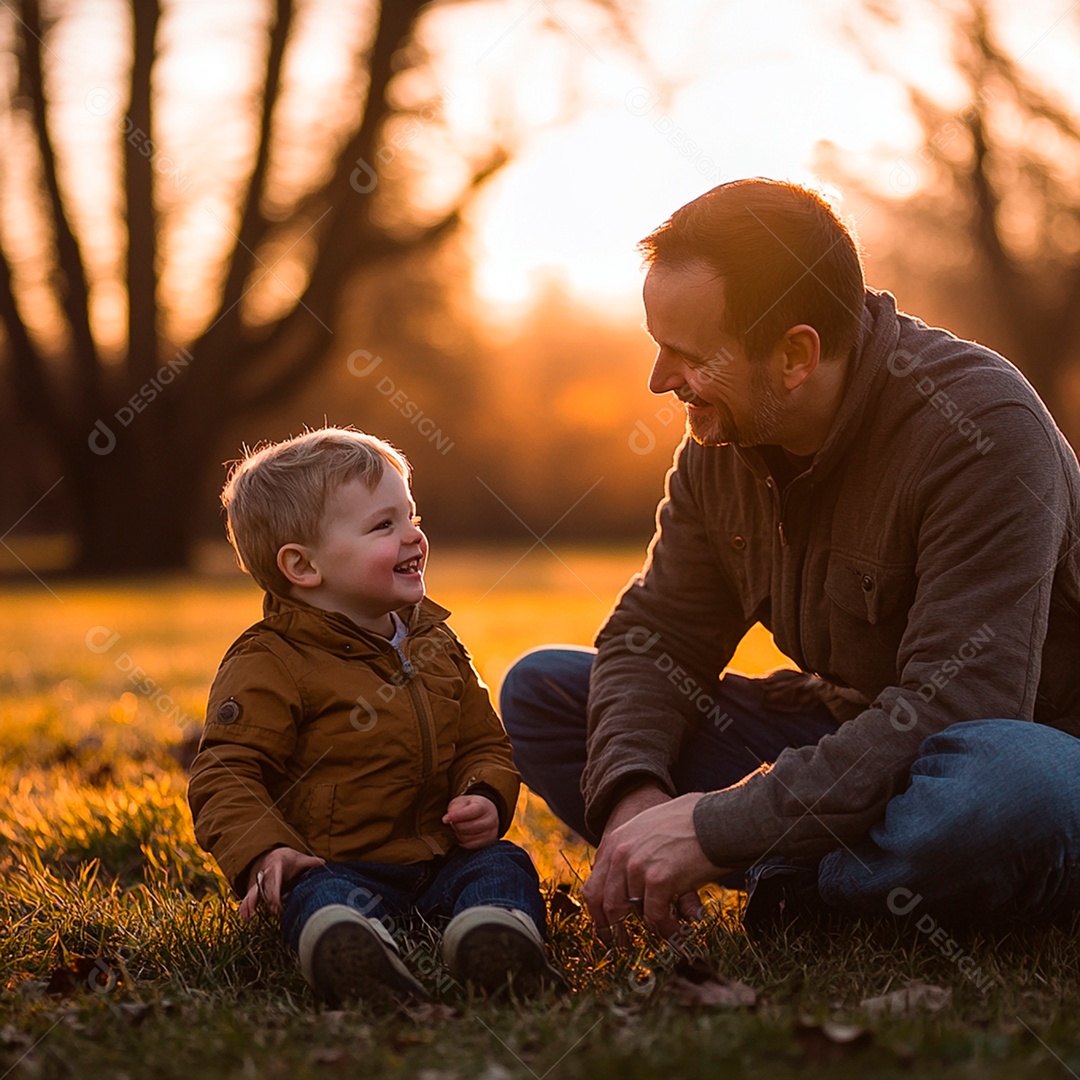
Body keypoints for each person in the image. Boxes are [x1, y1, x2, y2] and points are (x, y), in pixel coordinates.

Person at [500, 177, 1080, 942]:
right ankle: (856, 878)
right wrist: (635, 796)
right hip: (850, 741)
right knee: (545, 692)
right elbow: (658, 636)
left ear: (795, 354)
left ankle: (804, 888)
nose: (660, 381)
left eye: (689, 356)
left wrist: (712, 827)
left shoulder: (981, 431)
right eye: (657, 347)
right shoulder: (723, 438)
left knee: (1008, 791)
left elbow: (957, 709)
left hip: (1002, 751)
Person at [188, 427, 559, 1005]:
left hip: (441, 861)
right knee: (318, 892)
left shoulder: (435, 644)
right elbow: (225, 772)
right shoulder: (270, 661)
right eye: (384, 525)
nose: (414, 535)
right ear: (303, 567)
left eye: (411, 516)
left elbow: (484, 744)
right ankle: (344, 945)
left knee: (502, 863)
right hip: (337, 864)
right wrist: (265, 853)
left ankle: (493, 936)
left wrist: (484, 793)